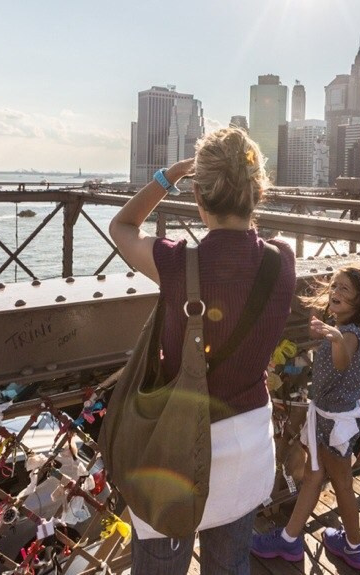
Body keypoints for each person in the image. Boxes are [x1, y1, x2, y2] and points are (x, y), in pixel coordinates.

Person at [109, 127, 296, 575]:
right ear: (258, 194)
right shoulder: (282, 260)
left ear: (198, 195)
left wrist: (167, 176)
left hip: (174, 453)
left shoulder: (177, 263)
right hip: (247, 452)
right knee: (230, 566)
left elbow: (122, 227)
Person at [250, 265, 360, 571]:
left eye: (344, 289)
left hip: (336, 423)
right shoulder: (343, 328)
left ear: (359, 300)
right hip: (327, 418)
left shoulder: (350, 334)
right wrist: (326, 332)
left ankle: (354, 547)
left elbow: (341, 362)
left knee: (342, 483)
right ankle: (289, 539)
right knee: (313, 476)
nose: (336, 292)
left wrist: (335, 339)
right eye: (334, 286)